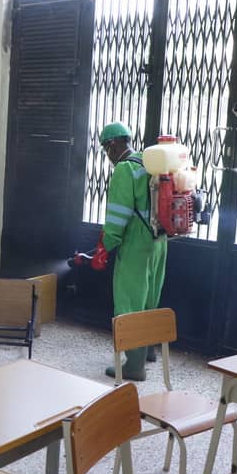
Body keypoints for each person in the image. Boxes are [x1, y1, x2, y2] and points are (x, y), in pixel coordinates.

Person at [100, 122, 167, 381]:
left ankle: (134, 365)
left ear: (114, 144)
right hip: (159, 240)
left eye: (107, 149)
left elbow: (118, 214)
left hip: (137, 242)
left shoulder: (125, 170)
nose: (108, 154)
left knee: (130, 299)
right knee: (151, 294)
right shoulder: (148, 163)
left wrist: (107, 244)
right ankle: (148, 350)